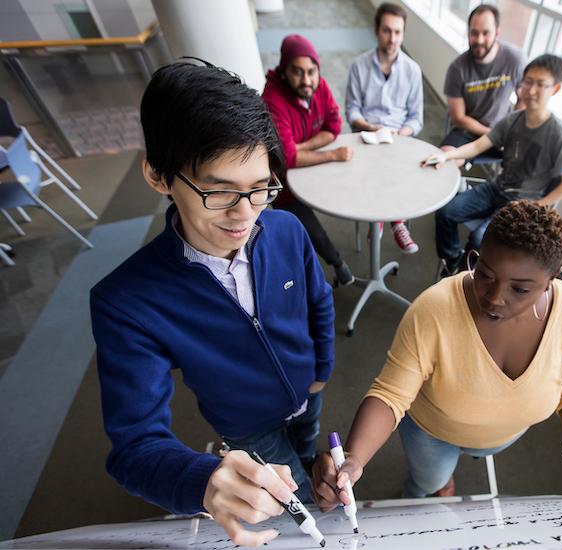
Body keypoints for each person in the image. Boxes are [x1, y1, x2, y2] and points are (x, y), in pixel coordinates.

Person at [90, 59, 335, 547]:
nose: (245, 215)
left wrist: (322, 370)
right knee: (291, 498)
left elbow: (319, 303)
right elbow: (135, 446)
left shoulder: (286, 229)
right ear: (159, 176)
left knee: (308, 446)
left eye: (261, 187)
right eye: (220, 191)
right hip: (246, 425)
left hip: (308, 389)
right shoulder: (126, 302)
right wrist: (201, 480)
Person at [312, 201, 562, 506]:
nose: (494, 298)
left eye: (519, 289)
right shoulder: (434, 309)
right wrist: (353, 459)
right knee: (426, 485)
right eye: (485, 273)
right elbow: (391, 393)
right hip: (433, 434)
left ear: (552, 279)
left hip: (503, 435)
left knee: (462, 462)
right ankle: (435, 485)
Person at [426, 54, 562, 276]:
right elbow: (480, 145)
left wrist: (536, 207)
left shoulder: (558, 133)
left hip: (521, 203)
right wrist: (447, 157)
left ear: (555, 89)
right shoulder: (514, 120)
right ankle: (453, 262)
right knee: (445, 212)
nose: (532, 90)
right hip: (496, 189)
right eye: (528, 81)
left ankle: (464, 280)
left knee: (480, 238)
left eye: (541, 84)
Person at [262, 34, 355, 285]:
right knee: (306, 228)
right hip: (285, 182)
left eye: (311, 71)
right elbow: (288, 159)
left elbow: (334, 127)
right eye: (298, 72)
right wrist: (332, 154)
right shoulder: (272, 101)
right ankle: (337, 263)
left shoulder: (319, 85)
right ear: (284, 71)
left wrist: (300, 147)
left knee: (359, 189)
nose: (307, 80)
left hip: (313, 167)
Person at [345, 2, 423, 254]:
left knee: (396, 163)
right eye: (387, 31)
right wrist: (369, 126)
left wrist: (401, 134)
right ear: (377, 30)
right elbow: (352, 109)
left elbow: (416, 118)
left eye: (398, 32)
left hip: (399, 137)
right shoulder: (359, 65)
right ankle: (396, 221)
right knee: (376, 164)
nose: (392, 38)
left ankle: (384, 218)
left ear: (403, 33)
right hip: (367, 134)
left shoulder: (412, 70)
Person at [441, 4, 526, 161]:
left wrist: (514, 129)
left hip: (503, 133)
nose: (479, 40)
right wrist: (492, 133)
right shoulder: (457, 68)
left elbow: (524, 99)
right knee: (445, 158)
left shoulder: (515, 59)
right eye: (474, 33)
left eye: (486, 33)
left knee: (532, 161)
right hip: (467, 133)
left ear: (497, 33)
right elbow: (458, 117)